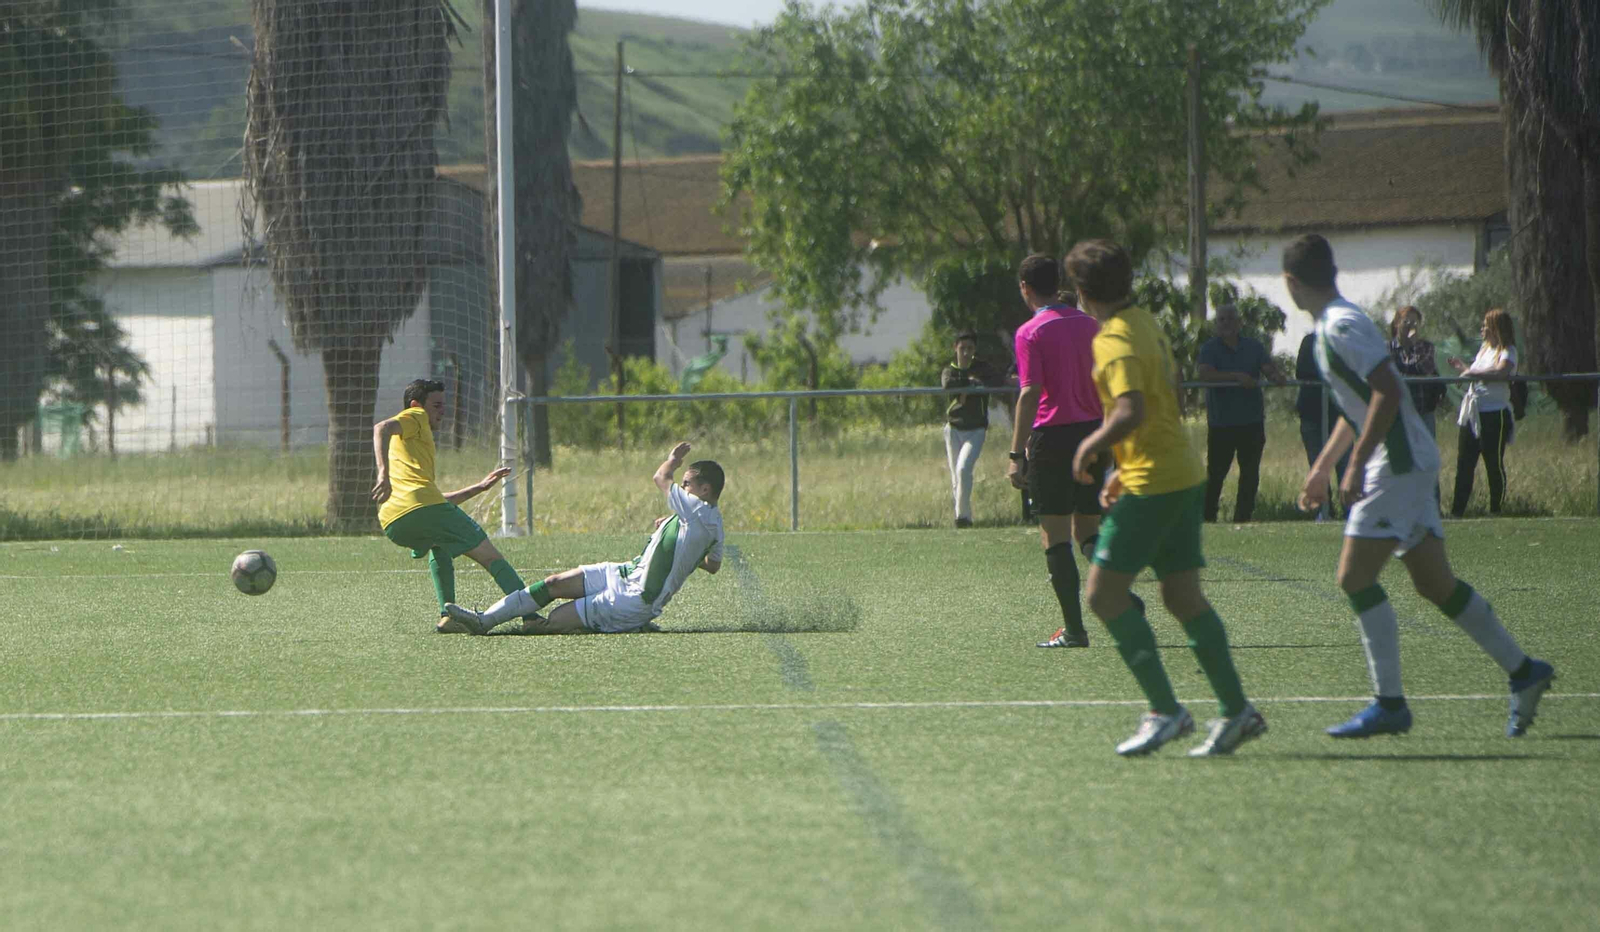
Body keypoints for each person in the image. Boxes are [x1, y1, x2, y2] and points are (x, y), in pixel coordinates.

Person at [1285, 234, 1555, 738]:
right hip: (1406, 460)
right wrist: (1323, 467)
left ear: (1292, 282)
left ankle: (1389, 704)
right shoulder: (1340, 321)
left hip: (1398, 463)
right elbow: (1360, 404)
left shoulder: (1340, 325)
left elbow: (1388, 392)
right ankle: (1525, 672)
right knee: (1435, 585)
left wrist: (1357, 462)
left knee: (1354, 578)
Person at [1065, 239, 1265, 757]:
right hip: (1179, 473)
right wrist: (1122, 466)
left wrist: (1090, 447)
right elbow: (1168, 398)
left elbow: (1130, 409)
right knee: (1182, 597)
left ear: (1083, 292)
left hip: (1154, 483)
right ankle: (1236, 710)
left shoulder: (1112, 339)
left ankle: (1165, 710)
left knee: (1103, 596)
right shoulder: (1147, 323)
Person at [442, 442, 723, 635]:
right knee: (552, 584)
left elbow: (660, 477)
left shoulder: (696, 509)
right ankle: (482, 621)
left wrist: (672, 461)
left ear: (705, 489)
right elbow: (712, 564)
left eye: (687, 483)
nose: (682, 487)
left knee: (551, 622)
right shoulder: (713, 522)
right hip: (623, 573)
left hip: (632, 600)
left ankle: (628, 624)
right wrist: (680, 545)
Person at [1005, 254, 1108, 650]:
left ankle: (1075, 631)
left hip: (1053, 438)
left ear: (1025, 289)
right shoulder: (1091, 326)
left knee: (1055, 534)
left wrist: (1017, 455)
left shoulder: (1031, 331)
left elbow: (1030, 393)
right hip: (1093, 435)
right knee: (1088, 529)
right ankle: (1122, 598)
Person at [372, 378, 527, 631]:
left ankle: (449, 615)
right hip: (421, 510)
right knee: (490, 556)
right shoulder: (415, 416)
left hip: (392, 521)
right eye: (436, 405)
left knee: (439, 543)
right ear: (416, 405)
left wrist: (479, 487)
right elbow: (381, 427)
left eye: (443, 405)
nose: (442, 411)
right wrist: (382, 473)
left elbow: (431, 502)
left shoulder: (407, 447)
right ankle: (530, 614)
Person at [1196, 303, 1285, 523]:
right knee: (1216, 475)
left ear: (1239, 323)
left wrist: (1276, 376)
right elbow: (1206, 375)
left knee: (1250, 474)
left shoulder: (1253, 346)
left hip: (1251, 422)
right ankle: (1208, 519)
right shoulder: (1209, 348)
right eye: (1221, 320)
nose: (1225, 324)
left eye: (1230, 319)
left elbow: (1267, 367)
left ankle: (1242, 519)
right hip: (1221, 424)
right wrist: (1236, 376)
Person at [1447, 307, 1518, 517]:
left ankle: (1496, 509)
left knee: (1493, 463)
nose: (1482, 329)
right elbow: (1476, 373)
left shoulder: (1508, 350)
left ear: (1497, 328)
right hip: (1473, 414)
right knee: (1464, 463)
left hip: (1494, 414)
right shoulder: (1484, 349)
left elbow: (1501, 371)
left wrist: (1471, 372)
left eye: (1486, 325)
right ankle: (1457, 512)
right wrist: (1464, 369)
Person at [941, 331, 1002, 528]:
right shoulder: (950, 370)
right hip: (954, 428)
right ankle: (961, 515)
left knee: (964, 468)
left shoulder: (982, 368)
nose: (966, 353)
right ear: (955, 348)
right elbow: (948, 384)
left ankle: (963, 518)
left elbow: (996, 380)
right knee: (955, 475)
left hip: (976, 429)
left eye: (970, 348)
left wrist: (976, 384)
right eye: (962, 348)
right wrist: (970, 384)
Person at [1295, 331, 1348, 519]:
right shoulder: (1309, 341)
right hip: (1312, 414)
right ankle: (1324, 512)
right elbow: (1301, 371)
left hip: (1340, 417)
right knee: (1317, 466)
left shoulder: (1345, 341)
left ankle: (1350, 513)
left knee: (1345, 466)